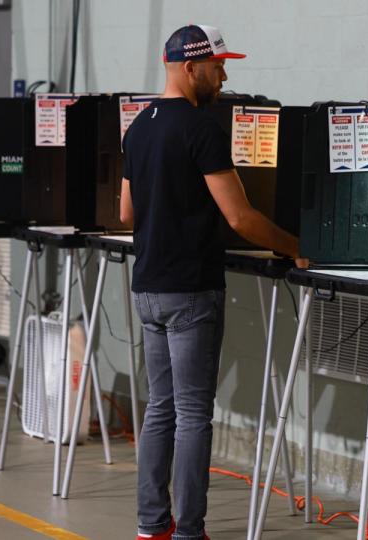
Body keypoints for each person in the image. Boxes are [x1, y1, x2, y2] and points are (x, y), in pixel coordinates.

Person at [120, 24, 308, 540]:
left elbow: (124, 211)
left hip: (148, 288)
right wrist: (296, 247)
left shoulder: (137, 128)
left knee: (160, 409)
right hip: (190, 291)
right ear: (189, 67)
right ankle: (190, 532)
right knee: (194, 414)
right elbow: (241, 218)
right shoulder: (201, 129)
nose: (224, 76)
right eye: (218, 66)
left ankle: (152, 526)